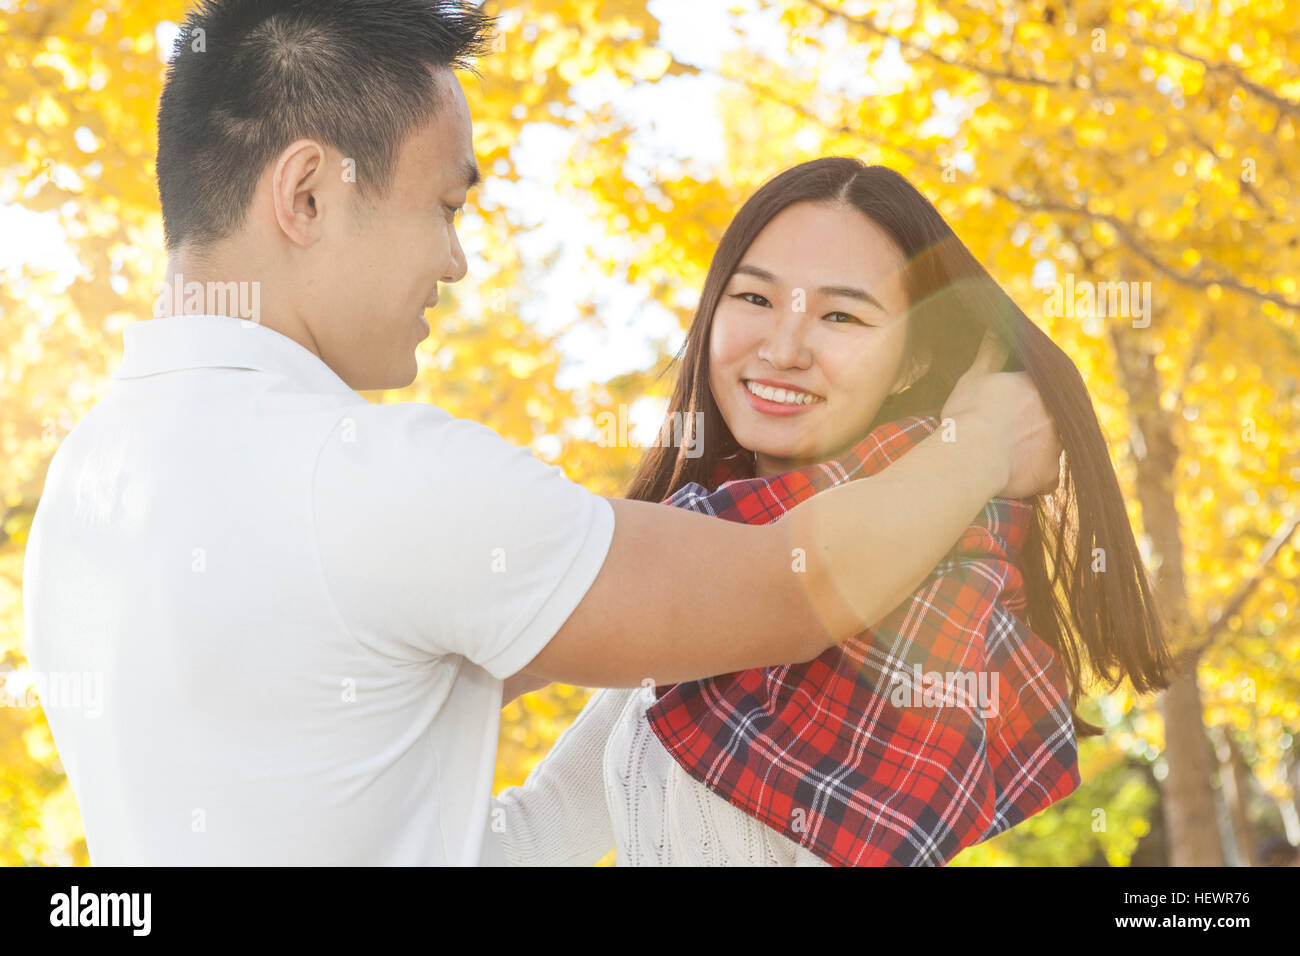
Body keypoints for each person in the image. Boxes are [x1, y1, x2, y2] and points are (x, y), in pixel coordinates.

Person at [21, 0, 1062, 865]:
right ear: (306, 193)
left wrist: (661, 694)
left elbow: (444, 843)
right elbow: (783, 589)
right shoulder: (371, 479)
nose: (455, 260)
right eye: (443, 205)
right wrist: (979, 443)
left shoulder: (88, 479)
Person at [484, 160, 1172, 866]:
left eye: (841, 315)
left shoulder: (937, 587)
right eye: (754, 299)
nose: (783, 350)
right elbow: (533, 836)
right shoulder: (703, 569)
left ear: (914, 359)